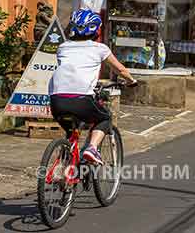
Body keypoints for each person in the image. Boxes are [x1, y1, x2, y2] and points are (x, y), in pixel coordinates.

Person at [49, 9, 137, 165]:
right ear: (95, 29)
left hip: (56, 101)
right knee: (105, 118)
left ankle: (63, 171)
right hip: (81, 99)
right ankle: (92, 148)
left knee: (71, 133)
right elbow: (120, 70)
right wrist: (131, 81)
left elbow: (70, 70)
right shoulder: (100, 48)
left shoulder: (62, 47)